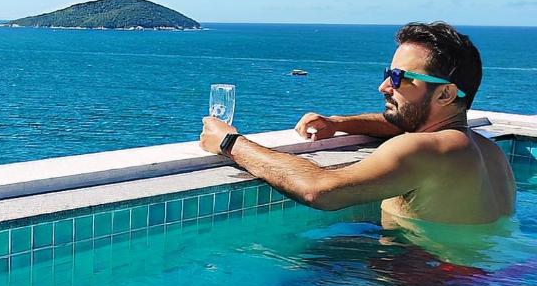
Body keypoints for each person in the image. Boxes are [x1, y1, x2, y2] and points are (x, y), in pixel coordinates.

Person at [199, 22, 516, 225]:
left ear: (445, 94)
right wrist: (338, 123)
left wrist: (230, 143)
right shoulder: (487, 150)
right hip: (476, 282)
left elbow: (319, 191)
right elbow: (408, 126)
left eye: (399, 78)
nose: (384, 86)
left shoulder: (425, 149)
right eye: (387, 74)